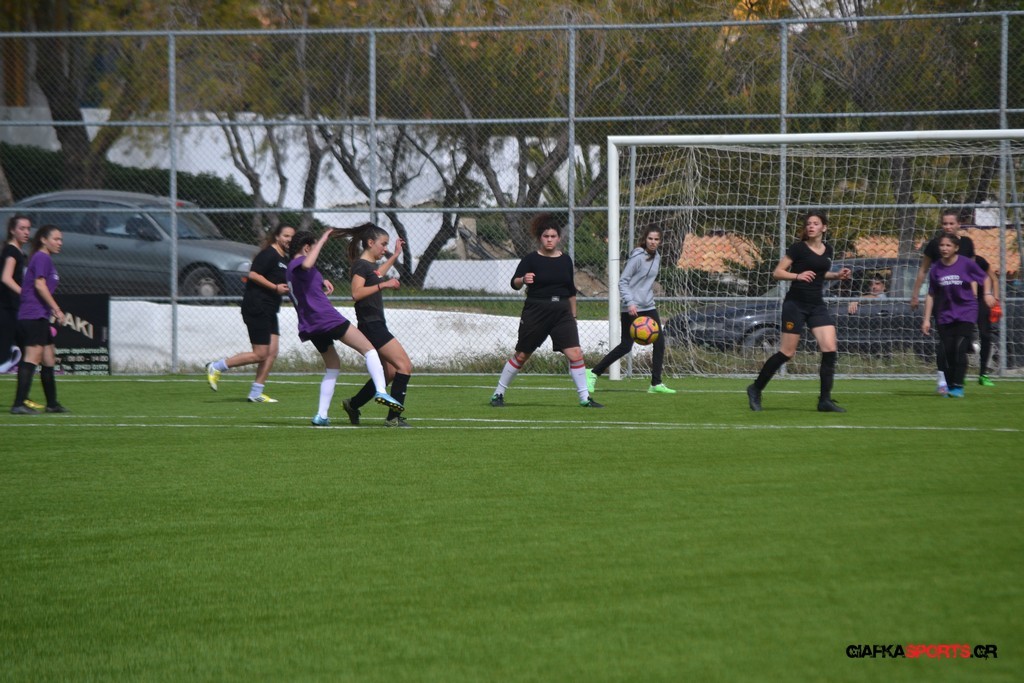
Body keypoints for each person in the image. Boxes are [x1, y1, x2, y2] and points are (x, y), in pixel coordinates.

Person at [286, 228, 403, 426]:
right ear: (306, 248)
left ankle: (321, 415)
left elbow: (305, 282)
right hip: (327, 318)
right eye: (314, 248)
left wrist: (321, 281)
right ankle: (381, 391)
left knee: (332, 367)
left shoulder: (290, 269)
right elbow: (306, 264)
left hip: (310, 325)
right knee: (370, 350)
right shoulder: (301, 262)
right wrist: (323, 238)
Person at [490, 213, 602, 408]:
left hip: (562, 312)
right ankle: (498, 394)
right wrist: (523, 279)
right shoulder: (531, 259)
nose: (549, 240)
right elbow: (514, 283)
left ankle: (585, 398)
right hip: (536, 311)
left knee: (576, 353)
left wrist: (573, 315)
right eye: (546, 236)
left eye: (553, 236)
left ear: (558, 238)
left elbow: (571, 291)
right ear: (540, 238)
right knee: (522, 355)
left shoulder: (565, 260)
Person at [746, 211, 852, 413]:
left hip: (817, 305)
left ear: (824, 228)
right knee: (787, 352)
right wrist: (797, 276)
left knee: (830, 349)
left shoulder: (828, 249)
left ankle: (825, 400)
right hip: (795, 304)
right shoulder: (798, 248)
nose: (811, 226)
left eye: (816, 223)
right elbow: (777, 273)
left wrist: (837, 275)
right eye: (809, 223)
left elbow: (820, 274)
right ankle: (755, 388)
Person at [330, 222, 413, 428]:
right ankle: (393, 418)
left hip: (375, 324)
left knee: (390, 373)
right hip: (371, 325)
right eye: (383, 244)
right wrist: (384, 285)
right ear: (370, 243)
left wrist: (395, 255)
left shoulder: (368, 267)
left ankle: (353, 404)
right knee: (404, 366)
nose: (384, 249)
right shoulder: (360, 265)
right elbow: (356, 293)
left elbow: (377, 275)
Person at [206, 224, 295, 402]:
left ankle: (255, 393)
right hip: (257, 306)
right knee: (260, 354)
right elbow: (253, 274)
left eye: (292, 237)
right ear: (277, 236)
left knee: (272, 352)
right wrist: (274, 287)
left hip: (270, 309)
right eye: (286, 236)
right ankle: (217, 366)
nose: (289, 240)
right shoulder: (269, 254)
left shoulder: (284, 258)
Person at [586, 226, 675, 395]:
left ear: (660, 241)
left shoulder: (657, 257)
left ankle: (656, 383)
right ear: (645, 239)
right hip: (632, 307)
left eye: (656, 239)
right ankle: (593, 373)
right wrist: (631, 302)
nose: (653, 242)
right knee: (626, 345)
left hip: (649, 306)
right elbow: (623, 281)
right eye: (650, 239)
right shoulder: (637, 257)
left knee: (660, 342)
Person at [910, 208, 975, 395]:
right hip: (942, 302)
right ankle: (943, 381)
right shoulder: (935, 245)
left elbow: (972, 271)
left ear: (959, 224)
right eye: (945, 223)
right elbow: (923, 270)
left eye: (951, 223)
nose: (948, 226)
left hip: (964, 303)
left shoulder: (967, 244)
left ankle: (957, 382)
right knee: (945, 344)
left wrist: (975, 296)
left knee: (960, 344)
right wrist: (915, 295)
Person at [921, 234, 993, 398]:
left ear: (956, 248)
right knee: (946, 351)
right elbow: (931, 294)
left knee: (959, 347)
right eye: (942, 245)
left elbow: (985, 278)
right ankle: (948, 385)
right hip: (946, 314)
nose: (944, 248)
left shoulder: (966, 264)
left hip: (966, 311)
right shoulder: (936, 268)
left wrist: (987, 293)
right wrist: (926, 319)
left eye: (948, 245)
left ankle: (958, 387)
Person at [11, 225, 68, 414]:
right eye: (56, 239)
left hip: (40, 315)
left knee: (49, 358)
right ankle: (18, 404)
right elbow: (39, 285)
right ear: (44, 240)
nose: (59, 243)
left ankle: (52, 404)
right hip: (32, 315)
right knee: (32, 357)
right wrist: (56, 309)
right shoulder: (42, 257)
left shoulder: (44, 258)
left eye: (61, 239)